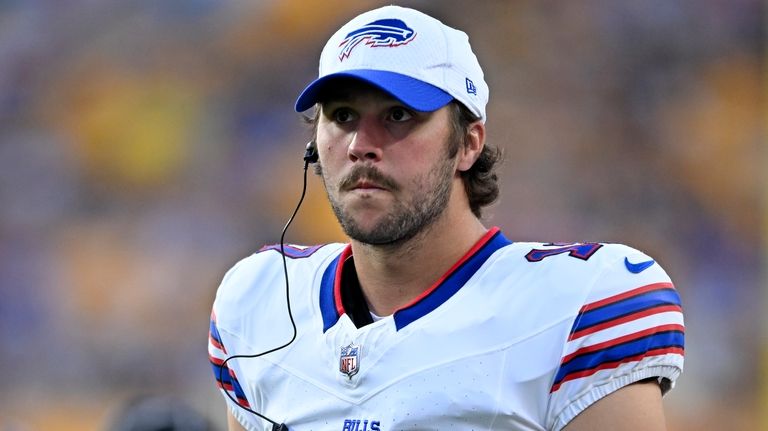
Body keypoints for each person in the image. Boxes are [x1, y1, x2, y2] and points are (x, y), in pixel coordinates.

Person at [208, 5, 684, 431]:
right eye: (344, 115)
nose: (360, 145)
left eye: (397, 115)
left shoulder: (577, 303)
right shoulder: (261, 301)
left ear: (468, 142)